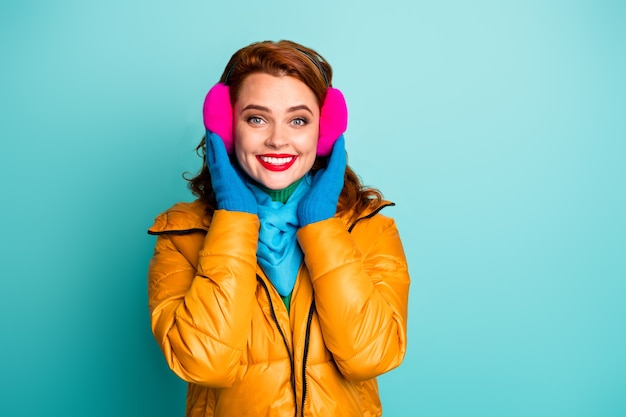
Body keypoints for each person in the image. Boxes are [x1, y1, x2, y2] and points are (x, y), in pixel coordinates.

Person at [147, 39, 410, 417]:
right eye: (256, 118)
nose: (277, 139)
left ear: (324, 132)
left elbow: (371, 356)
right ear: (224, 127)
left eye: (298, 120)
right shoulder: (182, 235)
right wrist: (235, 218)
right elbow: (205, 362)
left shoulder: (370, 229)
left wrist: (320, 226)